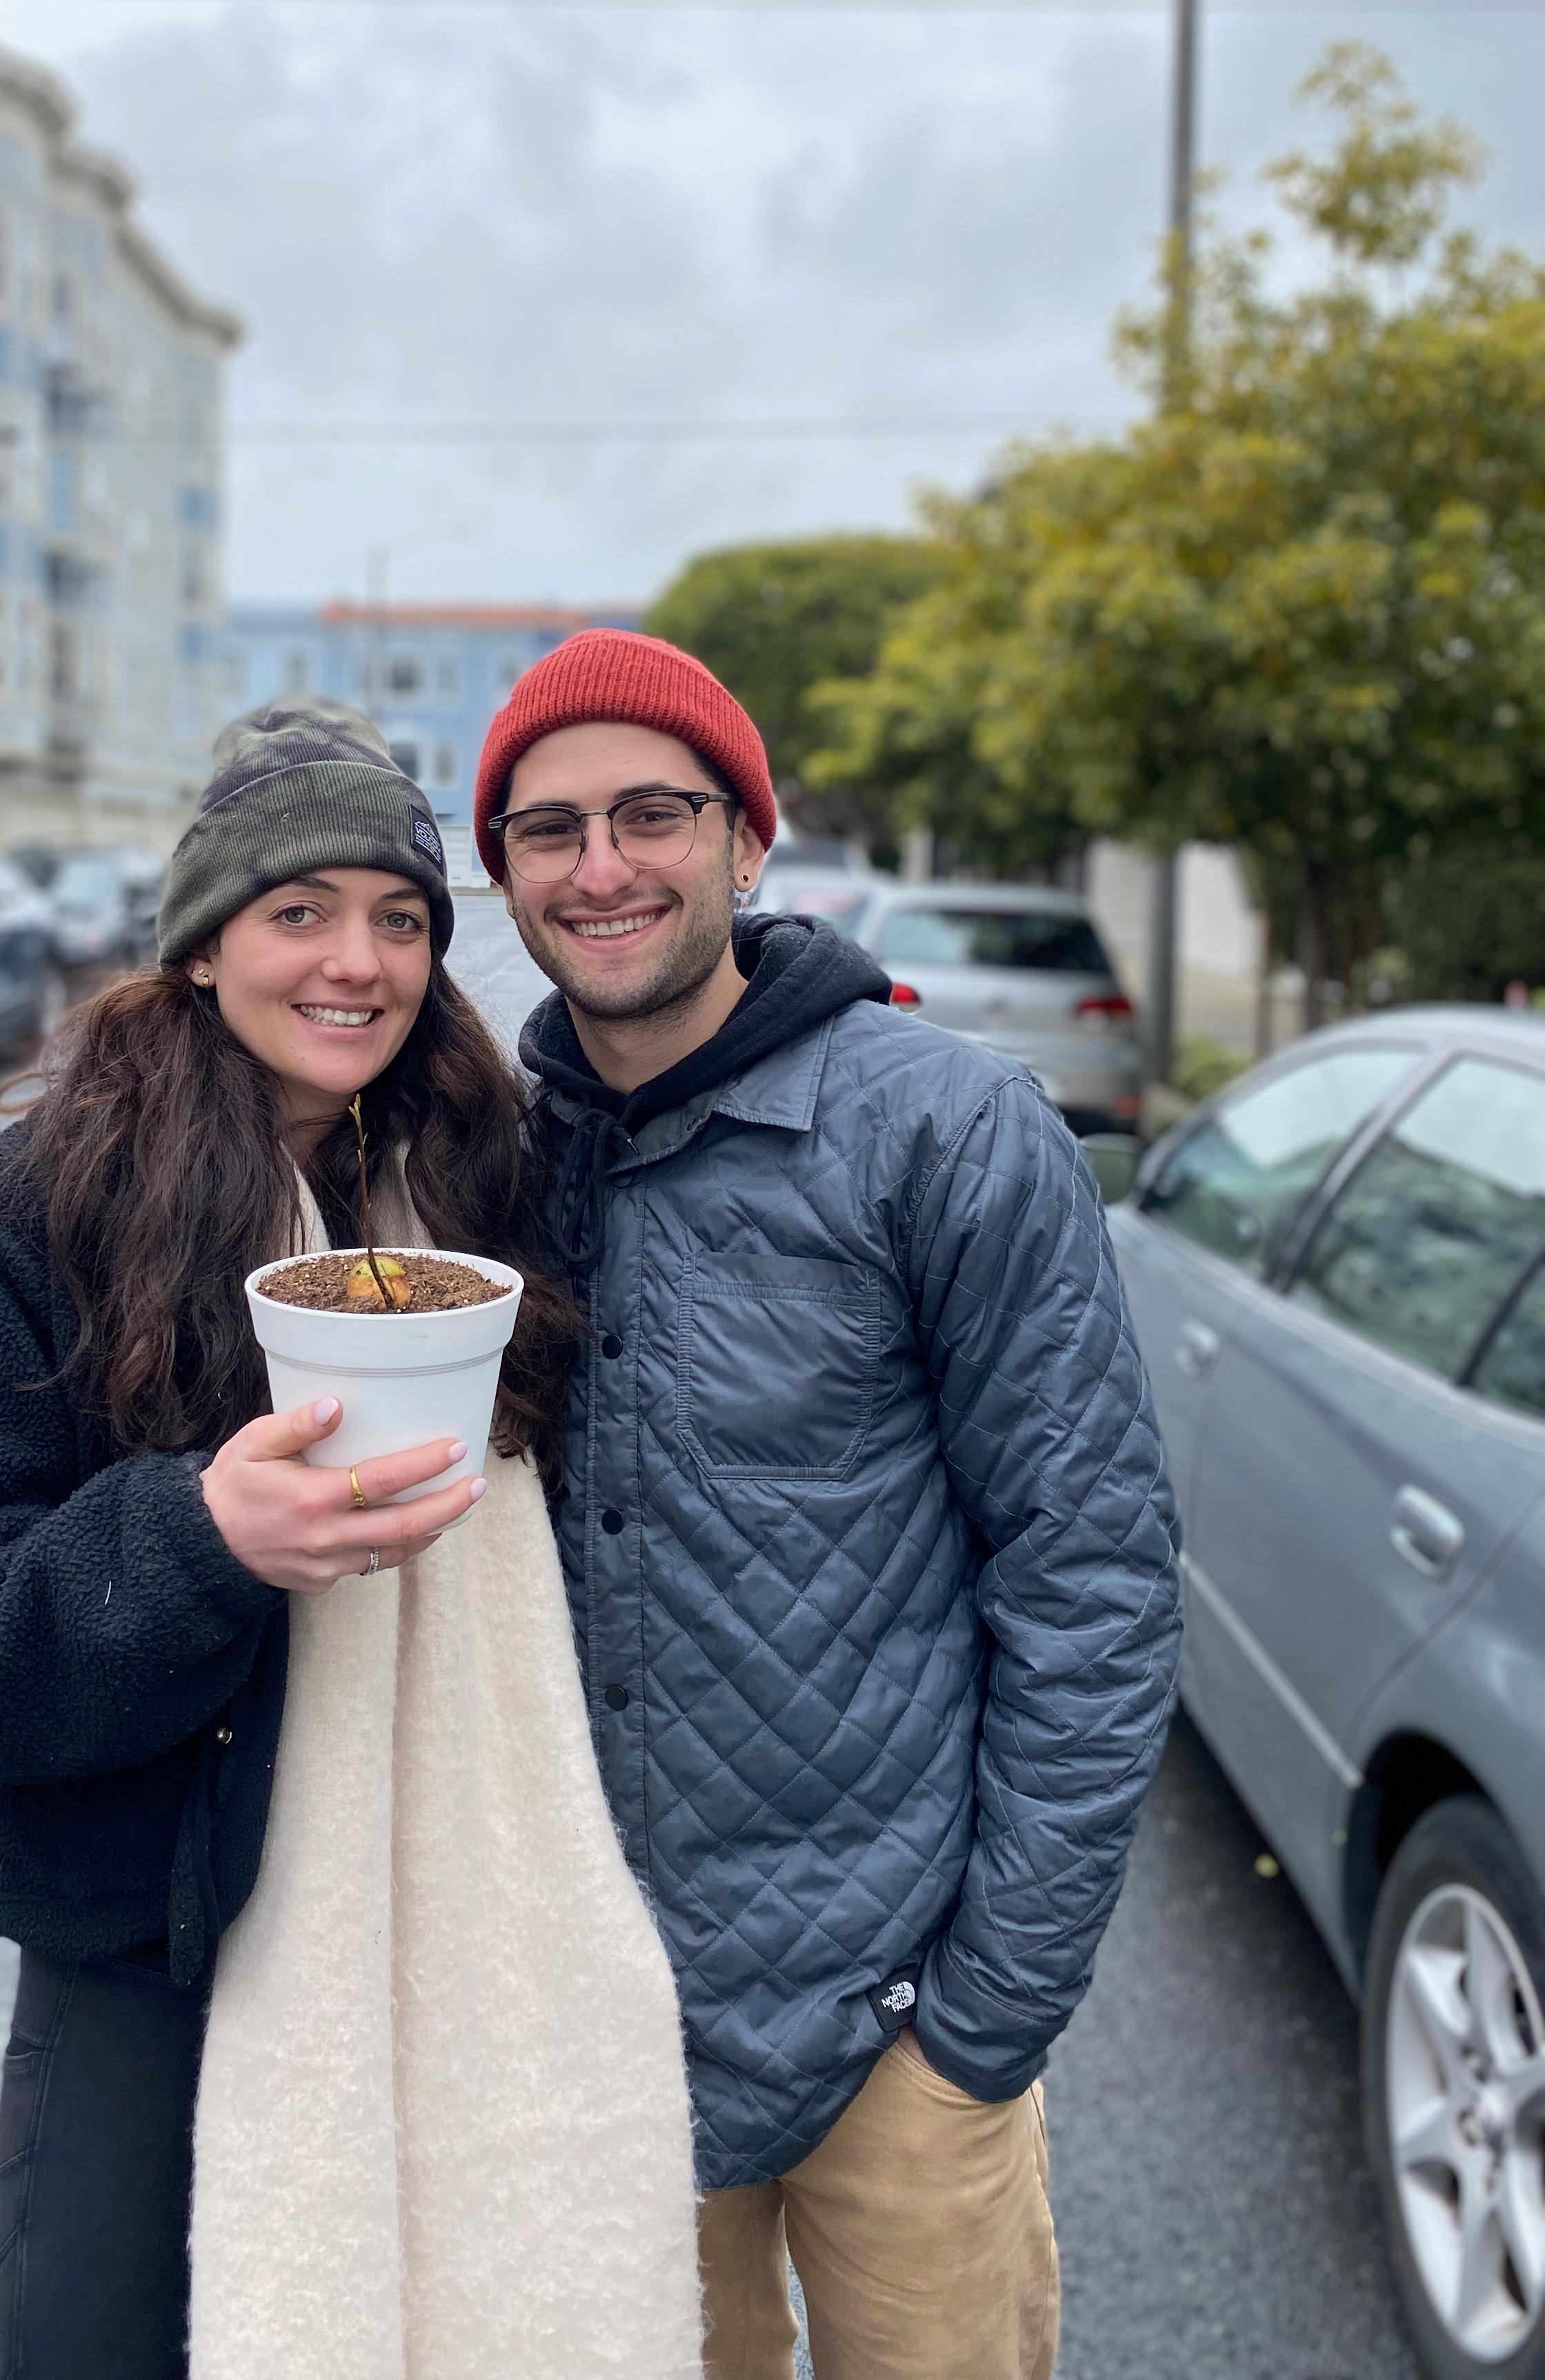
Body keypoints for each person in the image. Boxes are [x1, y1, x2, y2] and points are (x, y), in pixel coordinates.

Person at [0, 703, 701, 2380]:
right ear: (206, 946)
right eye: (301, 913)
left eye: (403, 918)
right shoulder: (37, 1210)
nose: (357, 962)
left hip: (471, 1935)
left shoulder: (475, 1182)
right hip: (154, 1956)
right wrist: (198, 1535)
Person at [475, 630, 1184, 2380]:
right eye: (547, 831)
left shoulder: (948, 1130)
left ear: (747, 839)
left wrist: (986, 2022)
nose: (603, 866)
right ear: (501, 875)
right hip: (599, 2027)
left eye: (652, 813)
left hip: (898, 2023)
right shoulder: (485, 1157)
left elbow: (1090, 1578)